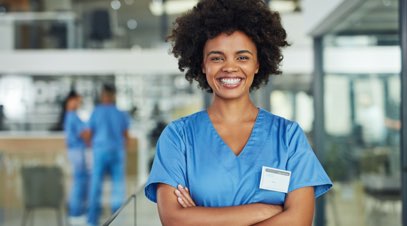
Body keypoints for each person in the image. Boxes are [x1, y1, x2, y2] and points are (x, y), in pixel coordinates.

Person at [144, 0, 333, 225]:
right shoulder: (178, 137)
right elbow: (175, 220)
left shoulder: (288, 137)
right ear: (202, 64)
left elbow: (299, 221)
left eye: (242, 57)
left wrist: (203, 219)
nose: (230, 67)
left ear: (258, 64)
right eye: (217, 58)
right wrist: (263, 211)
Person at [86, 84, 130, 226]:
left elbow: (88, 134)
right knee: (118, 186)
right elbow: (126, 135)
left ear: (103, 95)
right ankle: (116, 221)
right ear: (113, 96)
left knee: (95, 185)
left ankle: (92, 221)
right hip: (117, 151)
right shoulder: (120, 113)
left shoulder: (96, 112)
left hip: (100, 151)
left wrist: (91, 144)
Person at [63, 91, 88, 222]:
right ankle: (76, 211)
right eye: (78, 101)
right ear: (70, 100)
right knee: (79, 181)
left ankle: (77, 210)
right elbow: (84, 133)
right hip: (76, 151)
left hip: (76, 151)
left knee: (81, 180)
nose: (79, 104)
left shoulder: (71, 116)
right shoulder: (72, 116)